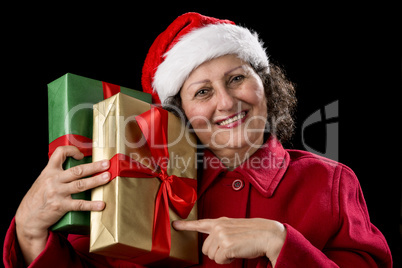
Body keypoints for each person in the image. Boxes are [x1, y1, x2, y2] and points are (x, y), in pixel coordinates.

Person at [3, 12, 392, 268]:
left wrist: (280, 242)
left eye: (237, 78)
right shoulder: (140, 189)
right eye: (202, 92)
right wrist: (30, 231)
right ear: (179, 114)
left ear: (266, 86)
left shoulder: (332, 183)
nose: (226, 102)